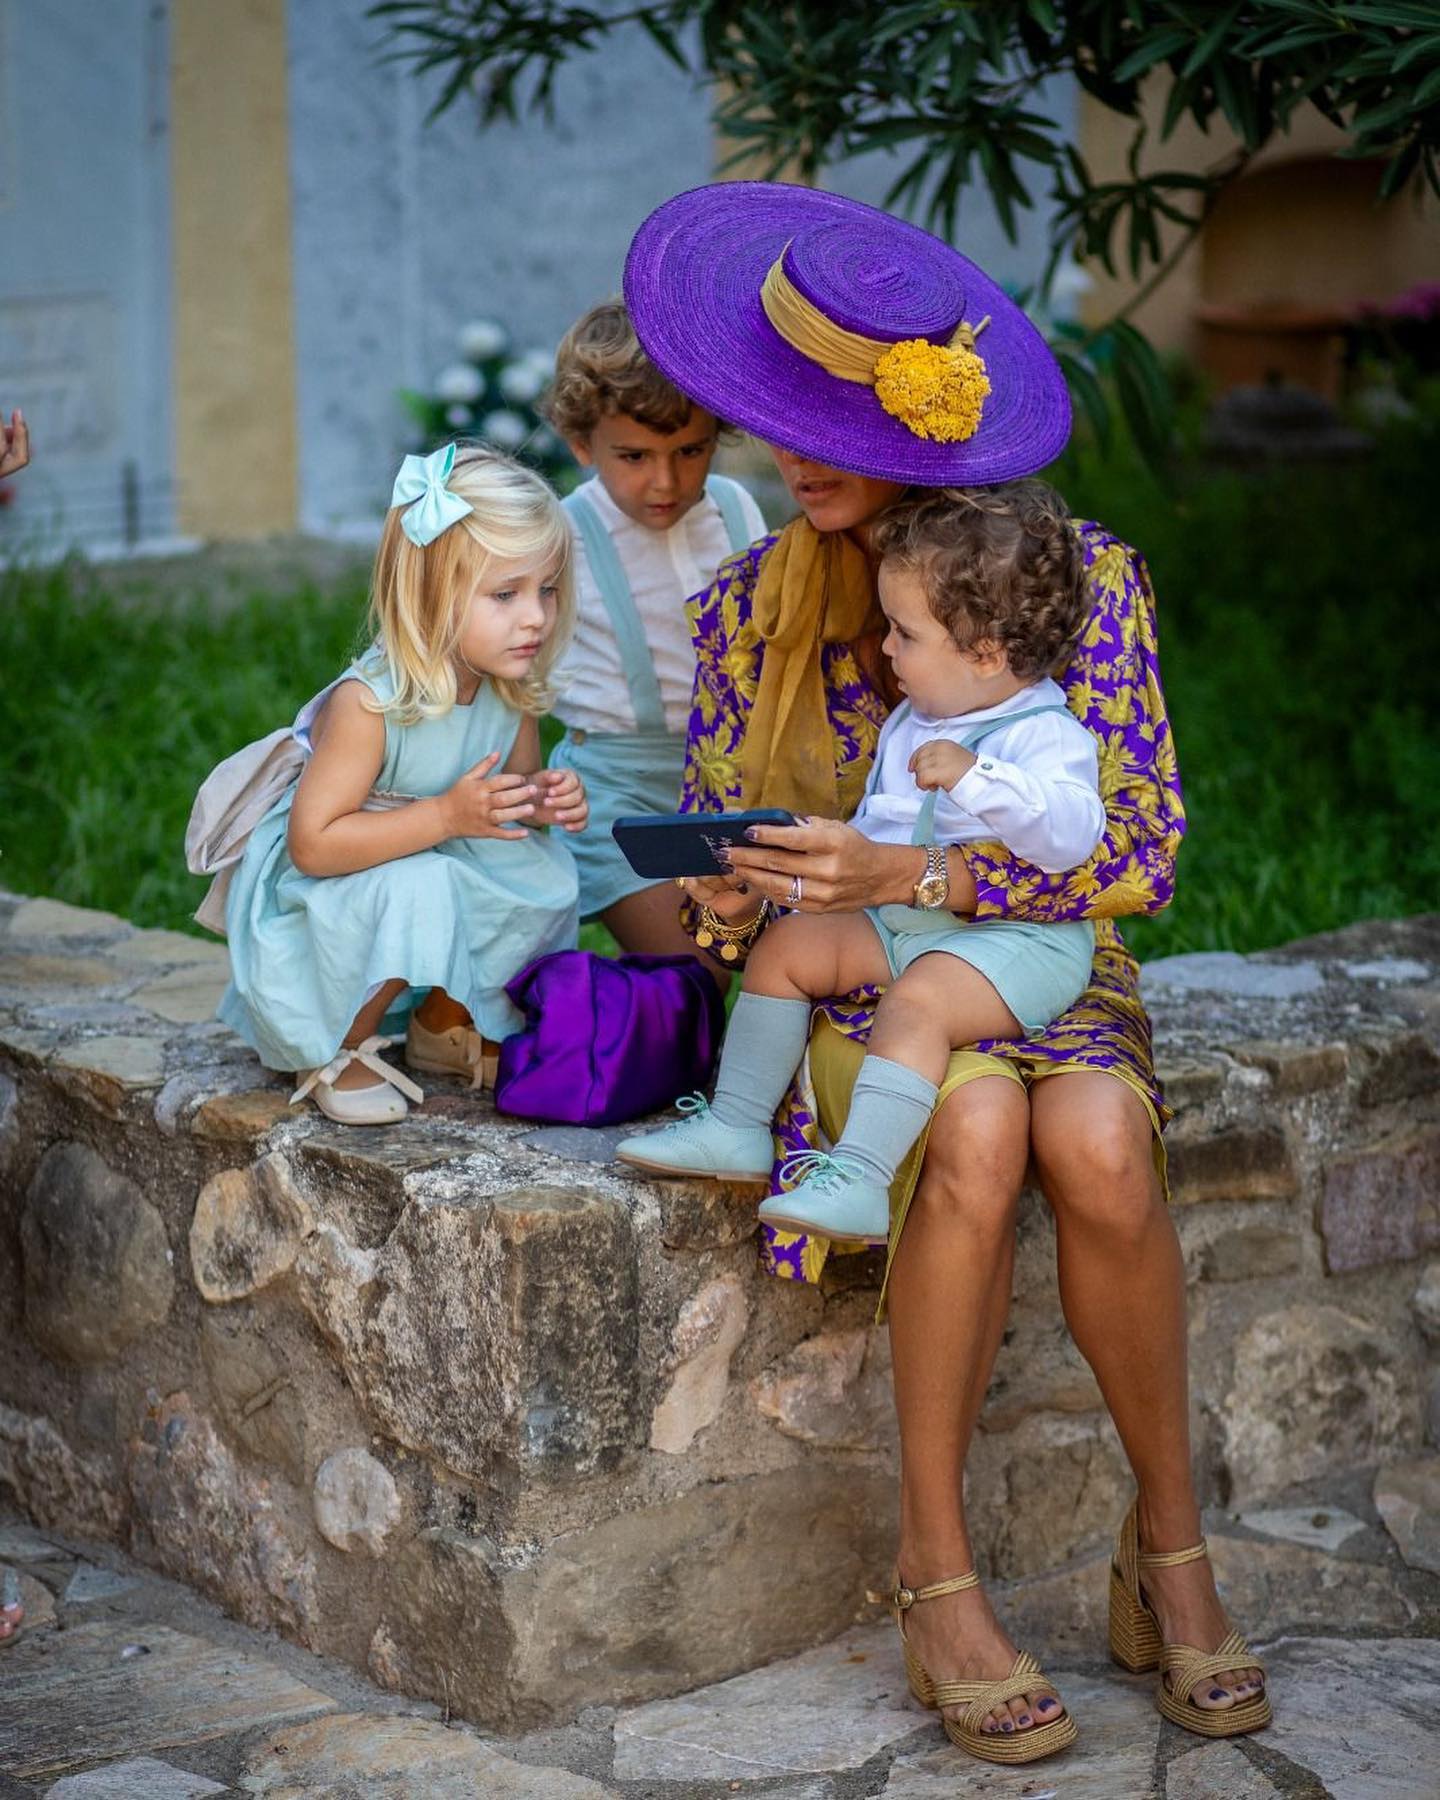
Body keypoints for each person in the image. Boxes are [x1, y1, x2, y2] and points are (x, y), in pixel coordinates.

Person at [620, 181, 1268, 1764]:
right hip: (853, 977)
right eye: (775, 416)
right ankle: (937, 1567)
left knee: (1100, 1141)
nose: (789, 454)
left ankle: (1168, 1552)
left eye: (829, 424)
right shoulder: (743, 614)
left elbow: (1141, 852)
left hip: (1035, 953)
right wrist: (736, 875)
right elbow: (724, 909)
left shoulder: (1080, 586)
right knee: (973, 1131)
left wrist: (919, 868)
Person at [616, 480, 1104, 1248]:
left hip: (1015, 944)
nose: (885, 648)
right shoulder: (919, 717)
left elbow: (1073, 836)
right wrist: (805, 854)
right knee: (788, 952)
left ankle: (861, 1179)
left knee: (917, 1003)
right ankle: (736, 1125)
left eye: (904, 634)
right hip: (908, 918)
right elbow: (883, 828)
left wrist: (981, 778)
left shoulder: (1044, 729)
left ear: (985, 653)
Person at [217, 443, 587, 1125]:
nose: (535, 615)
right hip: (333, 883)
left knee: (543, 875)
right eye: (506, 594)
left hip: (439, 841)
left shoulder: (509, 692)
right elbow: (314, 846)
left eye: (548, 588)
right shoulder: (370, 704)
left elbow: (514, 790)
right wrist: (445, 817)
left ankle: (443, 1021)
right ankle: (336, 1043)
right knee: (426, 882)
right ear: (430, 595)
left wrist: (542, 801)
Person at [541, 300, 765, 966]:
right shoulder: (562, 538)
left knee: (777, 958)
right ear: (583, 444)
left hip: (737, 780)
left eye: (690, 451)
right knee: (697, 966)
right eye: (634, 455)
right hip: (618, 792)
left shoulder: (734, 509)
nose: (665, 481)